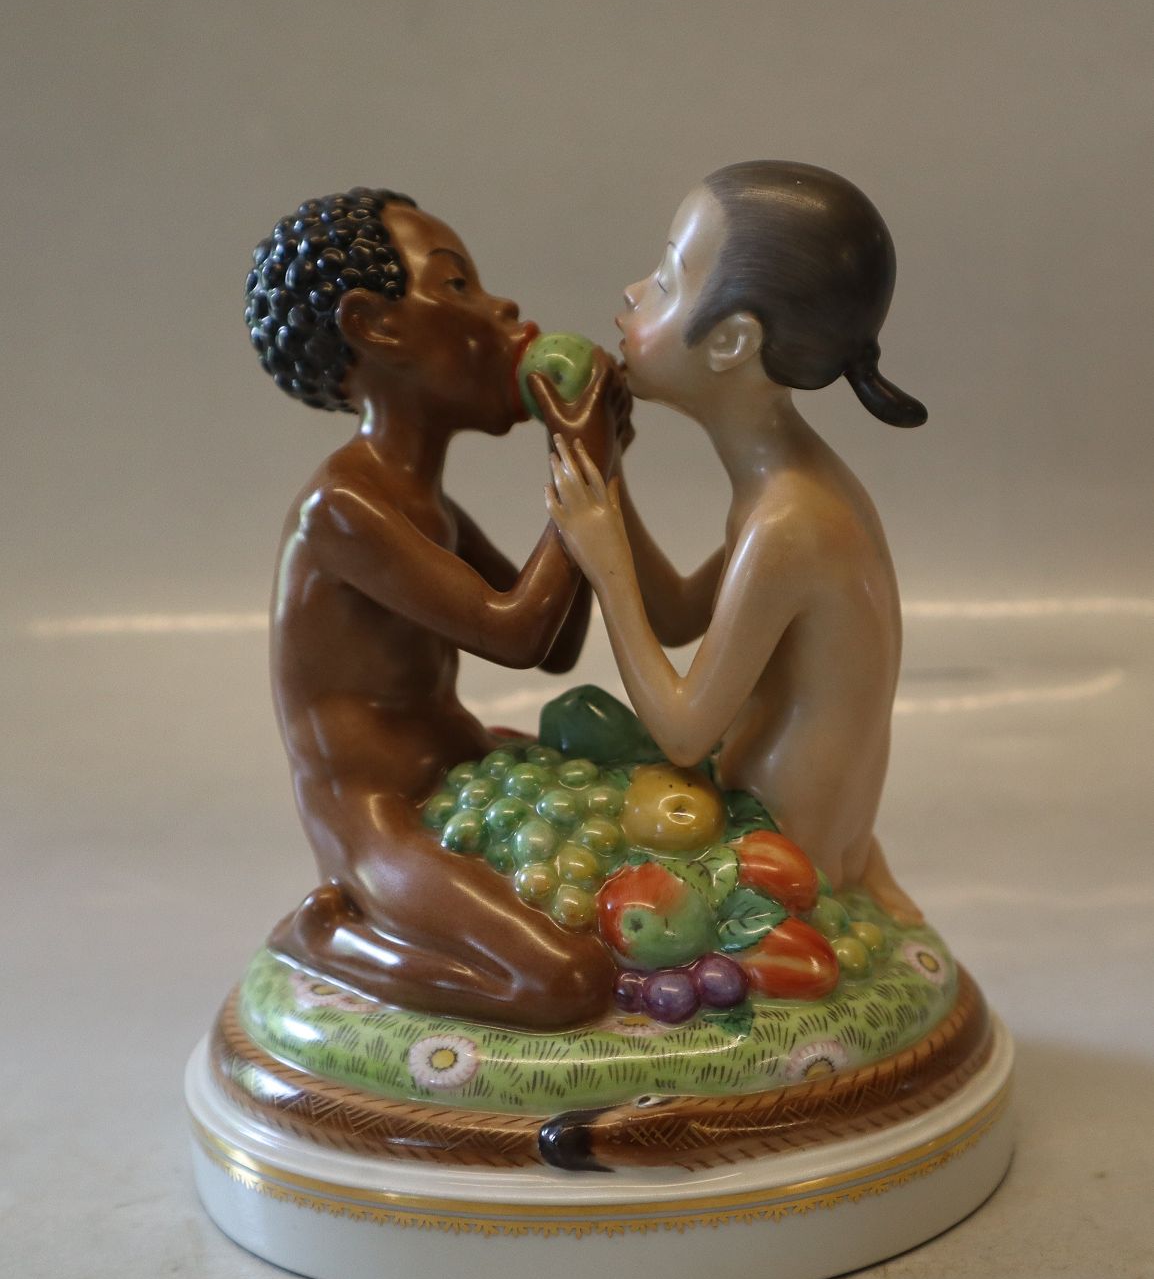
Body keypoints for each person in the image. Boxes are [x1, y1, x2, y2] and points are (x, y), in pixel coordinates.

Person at [246, 188, 627, 1028]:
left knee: (639, 790)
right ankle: (328, 939)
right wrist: (583, 467)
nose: (502, 308)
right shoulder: (344, 508)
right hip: (378, 819)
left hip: (458, 765)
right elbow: (517, 634)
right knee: (562, 983)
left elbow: (556, 645)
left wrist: (599, 470)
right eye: (457, 285)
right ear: (374, 326)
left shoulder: (428, 505)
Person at [546, 161, 925, 922]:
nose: (632, 291)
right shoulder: (794, 488)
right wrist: (608, 481)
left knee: (562, 802)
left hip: (776, 852)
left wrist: (604, 562)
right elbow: (681, 614)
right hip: (775, 813)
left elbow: (685, 733)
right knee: (576, 729)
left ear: (730, 340)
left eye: (665, 280)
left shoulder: (791, 522)